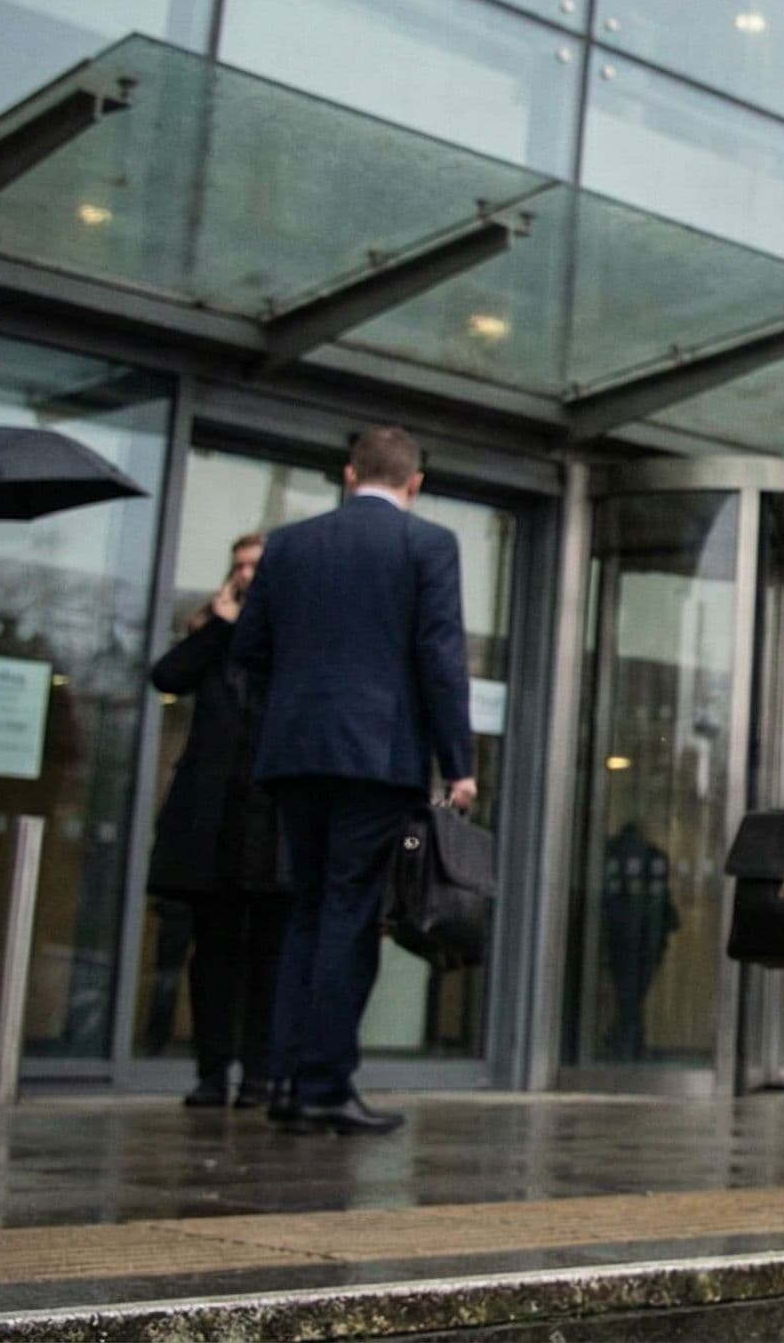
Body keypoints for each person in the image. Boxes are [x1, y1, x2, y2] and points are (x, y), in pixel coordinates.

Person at [233, 428, 474, 1136]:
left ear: (348, 474)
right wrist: (457, 762)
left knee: (307, 912)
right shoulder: (428, 546)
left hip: (295, 754)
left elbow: (249, 647)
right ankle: (324, 1086)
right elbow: (440, 658)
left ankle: (285, 1081)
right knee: (348, 916)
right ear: (415, 483)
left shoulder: (290, 545)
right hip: (377, 755)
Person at [147, 532, 289, 1109]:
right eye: (238, 565)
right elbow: (167, 676)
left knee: (269, 955)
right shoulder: (212, 633)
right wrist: (221, 626)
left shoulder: (294, 636)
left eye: (256, 565)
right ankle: (211, 1072)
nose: (246, 575)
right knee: (214, 952)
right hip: (213, 819)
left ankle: (259, 1073)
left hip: (275, 817)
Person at [596, 821, 679, 1061]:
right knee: (632, 993)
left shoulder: (611, 852)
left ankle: (625, 1040)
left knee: (628, 993)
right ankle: (627, 1041)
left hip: (623, 934)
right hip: (644, 935)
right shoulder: (652, 855)